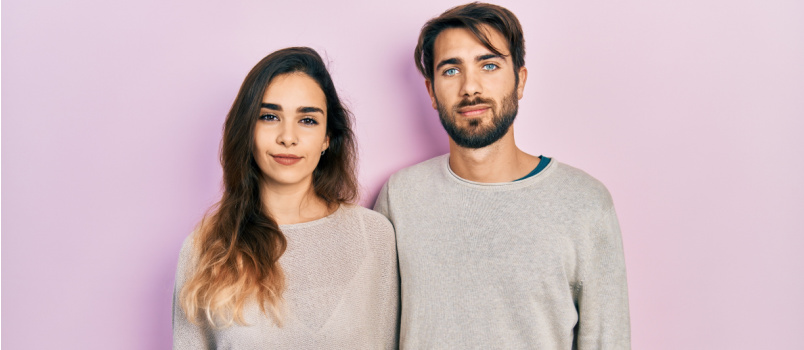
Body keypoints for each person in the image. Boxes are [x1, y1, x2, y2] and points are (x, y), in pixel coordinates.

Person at [374, 3, 630, 348]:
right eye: (451, 70)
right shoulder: (401, 196)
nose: (470, 87)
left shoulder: (584, 202)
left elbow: (607, 340)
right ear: (431, 92)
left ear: (520, 80)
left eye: (489, 65)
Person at [173, 47, 399, 349]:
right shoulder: (207, 248)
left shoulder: (374, 236)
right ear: (248, 131)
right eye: (269, 116)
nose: (287, 137)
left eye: (307, 120)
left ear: (327, 138)